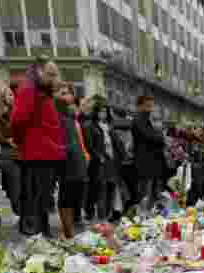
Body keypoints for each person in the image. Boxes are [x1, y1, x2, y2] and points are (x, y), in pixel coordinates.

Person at [11, 58, 65, 236]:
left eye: (55, 74)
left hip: (46, 151)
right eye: (51, 74)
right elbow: (18, 120)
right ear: (39, 72)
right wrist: (23, 143)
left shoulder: (42, 92)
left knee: (43, 196)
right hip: (37, 152)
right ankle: (37, 235)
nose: (55, 78)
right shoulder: (29, 90)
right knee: (37, 196)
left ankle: (43, 233)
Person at [53, 83, 88, 239]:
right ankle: (68, 232)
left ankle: (71, 226)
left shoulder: (70, 114)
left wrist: (82, 153)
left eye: (68, 93)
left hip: (76, 157)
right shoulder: (55, 113)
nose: (66, 95)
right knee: (66, 193)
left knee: (76, 191)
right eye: (62, 92)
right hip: (65, 157)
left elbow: (76, 137)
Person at [84, 102, 124, 221]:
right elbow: (89, 145)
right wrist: (99, 156)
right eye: (100, 111)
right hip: (100, 162)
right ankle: (101, 217)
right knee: (101, 189)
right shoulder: (90, 126)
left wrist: (122, 156)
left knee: (111, 188)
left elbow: (117, 144)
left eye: (105, 111)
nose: (103, 114)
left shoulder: (110, 127)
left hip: (112, 162)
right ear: (96, 112)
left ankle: (107, 215)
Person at [0, 82, 20, 217]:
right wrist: (9, 141)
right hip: (8, 154)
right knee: (15, 187)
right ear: (2, 97)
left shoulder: (18, 111)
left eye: (13, 95)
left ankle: (24, 214)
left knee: (22, 186)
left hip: (21, 153)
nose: (13, 97)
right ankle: (20, 212)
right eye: (9, 95)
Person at [131, 94, 165, 213]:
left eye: (151, 106)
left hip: (151, 161)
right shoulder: (138, 119)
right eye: (147, 106)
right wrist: (160, 137)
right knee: (144, 191)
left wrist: (159, 137)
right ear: (140, 106)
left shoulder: (146, 119)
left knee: (151, 190)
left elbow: (154, 136)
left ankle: (148, 212)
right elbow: (149, 136)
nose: (150, 109)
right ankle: (142, 214)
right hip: (144, 161)